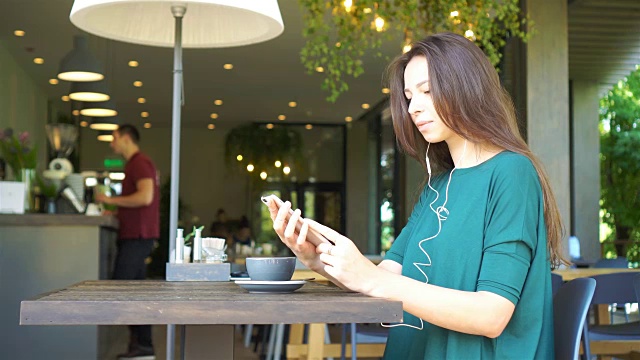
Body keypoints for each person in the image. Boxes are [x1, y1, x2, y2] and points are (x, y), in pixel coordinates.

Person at [264, 32, 568, 359]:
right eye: (409, 96)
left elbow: (491, 315)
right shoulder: (437, 186)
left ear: (468, 87)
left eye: (427, 90)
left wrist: (368, 278)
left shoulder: (511, 173)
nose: (413, 107)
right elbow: (386, 278)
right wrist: (317, 259)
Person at [95, 124, 159, 360]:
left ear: (126, 138)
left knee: (125, 289)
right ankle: (142, 347)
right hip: (136, 235)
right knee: (134, 291)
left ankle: (143, 347)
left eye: (114, 138)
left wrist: (112, 200)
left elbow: (145, 196)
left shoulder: (139, 163)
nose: (112, 143)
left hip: (138, 237)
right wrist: (117, 213)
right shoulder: (134, 164)